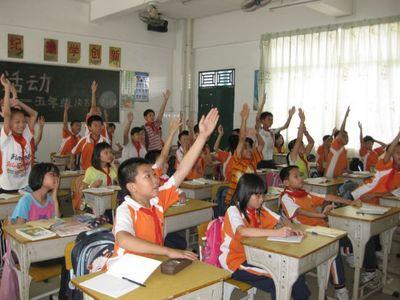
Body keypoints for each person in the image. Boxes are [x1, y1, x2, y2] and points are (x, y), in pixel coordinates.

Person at [112, 108, 219, 259]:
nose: (156, 179)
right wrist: (168, 251)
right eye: (148, 176)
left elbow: (181, 171)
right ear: (132, 187)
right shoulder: (126, 209)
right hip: (127, 270)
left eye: (153, 174)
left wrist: (202, 136)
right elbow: (123, 239)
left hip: (153, 265)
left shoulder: (157, 200)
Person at [280, 165, 379, 287]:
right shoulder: (286, 197)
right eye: (296, 176)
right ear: (286, 182)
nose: (301, 178)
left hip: (322, 229)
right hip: (308, 233)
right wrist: (322, 215)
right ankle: (340, 288)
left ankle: (370, 271)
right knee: (332, 248)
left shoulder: (305, 193)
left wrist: (350, 202)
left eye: (300, 175)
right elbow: (299, 211)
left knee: (362, 235)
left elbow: (327, 197)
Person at [219, 173, 310, 300]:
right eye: (258, 195)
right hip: (236, 261)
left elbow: (281, 220)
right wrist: (277, 233)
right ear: (245, 193)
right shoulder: (234, 211)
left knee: (295, 272)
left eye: (263, 195)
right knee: (279, 281)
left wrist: (294, 230)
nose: (262, 199)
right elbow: (243, 231)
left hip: (257, 256)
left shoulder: (259, 209)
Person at [0, 74, 38, 192]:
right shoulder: (6, 138)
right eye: (17, 122)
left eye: (23, 122)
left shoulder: (26, 134)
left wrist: (17, 102)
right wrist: (7, 90)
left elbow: (34, 115)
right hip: (7, 187)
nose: (21, 125)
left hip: (25, 185)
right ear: (10, 124)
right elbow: (7, 114)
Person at [225, 104, 264, 205]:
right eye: (245, 149)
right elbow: (242, 139)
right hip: (235, 199)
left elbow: (261, 144)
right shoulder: (236, 160)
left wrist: (256, 133)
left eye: (250, 148)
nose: (249, 150)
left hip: (249, 198)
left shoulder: (252, 161)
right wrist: (244, 120)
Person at [352, 130, 400, 205]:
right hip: (362, 193)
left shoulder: (375, 152)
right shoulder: (386, 164)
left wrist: (376, 195)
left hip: (375, 200)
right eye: (398, 153)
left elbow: (394, 192)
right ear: (391, 155)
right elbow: (389, 150)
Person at [256, 92, 295, 168]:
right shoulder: (259, 130)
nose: (271, 121)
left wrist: (290, 116)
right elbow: (257, 118)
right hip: (260, 160)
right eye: (269, 119)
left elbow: (285, 126)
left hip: (270, 160)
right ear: (262, 121)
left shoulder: (272, 131)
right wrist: (263, 103)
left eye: (272, 120)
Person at [287, 109, 314, 179]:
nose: (303, 146)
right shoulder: (293, 156)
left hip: (305, 182)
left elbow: (311, 142)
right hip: (295, 183)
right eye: (300, 146)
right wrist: (302, 120)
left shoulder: (303, 154)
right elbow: (299, 139)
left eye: (302, 144)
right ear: (293, 149)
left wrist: (306, 133)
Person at [325, 107, 350, 178]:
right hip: (330, 175)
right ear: (337, 137)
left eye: (347, 137)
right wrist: (345, 117)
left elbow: (344, 164)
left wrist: (347, 170)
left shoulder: (343, 149)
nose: (346, 139)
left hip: (338, 176)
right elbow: (342, 130)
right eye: (344, 136)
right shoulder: (335, 144)